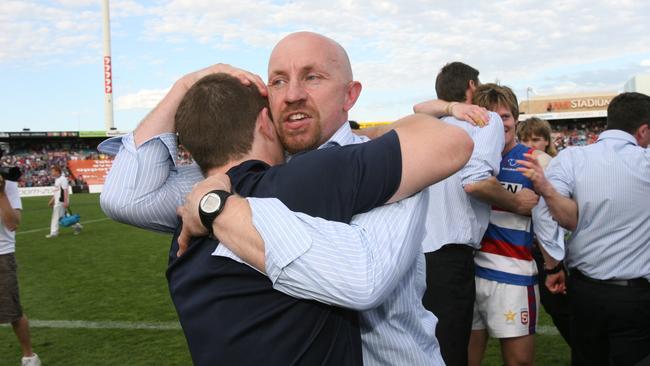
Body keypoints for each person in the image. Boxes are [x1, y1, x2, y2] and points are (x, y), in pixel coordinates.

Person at [99, 32, 474, 365]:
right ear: (266, 102)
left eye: (312, 77)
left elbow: (364, 280)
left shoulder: (398, 165)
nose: (293, 94)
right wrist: (187, 85)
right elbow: (126, 197)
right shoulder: (246, 173)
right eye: (278, 81)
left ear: (350, 94)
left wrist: (220, 211)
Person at [413, 62, 538, 366]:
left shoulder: (429, 123)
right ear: (472, 86)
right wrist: (518, 203)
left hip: (417, 258)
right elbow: (476, 182)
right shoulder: (485, 120)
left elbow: (418, 107)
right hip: (451, 256)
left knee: (429, 348)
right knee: (452, 350)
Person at [519, 92, 650, 366]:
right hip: (636, 294)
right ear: (643, 130)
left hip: (584, 290)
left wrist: (554, 266)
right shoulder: (644, 161)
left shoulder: (571, 158)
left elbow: (543, 211)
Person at [467, 84, 551, 366]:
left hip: (511, 275)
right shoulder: (464, 157)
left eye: (504, 116)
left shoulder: (535, 160)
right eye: (490, 116)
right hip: (466, 275)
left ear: (515, 119)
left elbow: (560, 213)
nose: (498, 123)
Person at [517, 116, 574, 357]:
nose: (530, 145)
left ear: (547, 142)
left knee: (561, 307)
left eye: (536, 139)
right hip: (523, 250)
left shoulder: (555, 166)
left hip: (549, 252)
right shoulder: (513, 167)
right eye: (525, 139)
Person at [0, 175, 41, 366]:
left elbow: (13, 223)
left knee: (13, 311)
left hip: (2, 255)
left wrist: (0, 193)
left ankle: (29, 357)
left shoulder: (8, 185)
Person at [46, 166, 82, 238]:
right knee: (64, 217)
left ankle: (54, 233)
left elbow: (65, 191)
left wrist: (65, 201)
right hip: (58, 201)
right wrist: (52, 200)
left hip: (61, 201)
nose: (52, 173)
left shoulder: (63, 179)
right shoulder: (57, 179)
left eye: (53, 171)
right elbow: (57, 191)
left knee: (56, 217)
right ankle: (77, 226)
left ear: (57, 171)